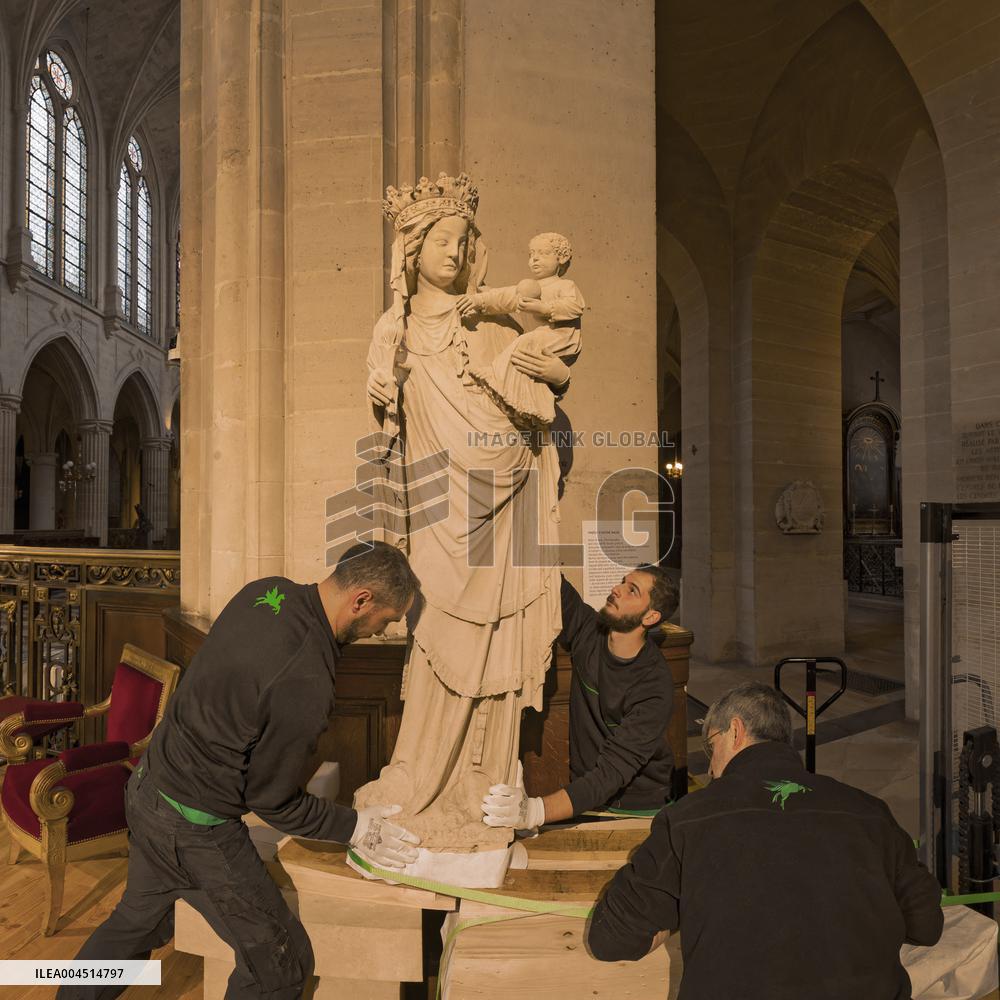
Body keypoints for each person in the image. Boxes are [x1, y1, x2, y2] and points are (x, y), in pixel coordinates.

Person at [58, 542, 422, 1000]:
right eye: (386, 621)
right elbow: (273, 802)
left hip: (149, 789)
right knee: (281, 965)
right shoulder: (306, 678)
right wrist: (356, 827)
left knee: (133, 923)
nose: (380, 631)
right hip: (196, 829)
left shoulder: (267, 592)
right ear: (361, 600)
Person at [357, 174, 571, 861]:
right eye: (441, 240)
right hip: (436, 508)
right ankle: (418, 773)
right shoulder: (392, 328)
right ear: (413, 249)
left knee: (494, 639)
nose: (453, 252)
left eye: (462, 241)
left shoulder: (486, 320)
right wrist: (382, 393)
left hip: (499, 499)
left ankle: (480, 782)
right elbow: (386, 426)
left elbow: (536, 388)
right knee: (433, 633)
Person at [586, 681, 944, 1000]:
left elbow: (611, 939)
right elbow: (927, 925)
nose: (709, 769)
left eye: (711, 748)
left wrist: (681, 907)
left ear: (735, 732)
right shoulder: (870, 812)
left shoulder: (687, 819)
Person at [482, 564, 678, 831]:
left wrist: (534, 811)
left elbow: (611, 773)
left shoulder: (654, 684)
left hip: (637, 809)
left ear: (651, 616)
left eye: (632, 590)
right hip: (588, 799)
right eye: (622, 582)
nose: (616, 589)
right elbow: (550, 577)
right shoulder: (590, 631)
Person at [457, 231, 585, 430]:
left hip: (561, 337)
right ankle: (517, 398)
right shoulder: (530, 288)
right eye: (531, 254)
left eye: (543, 253)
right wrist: (478, 300)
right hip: (539, 339)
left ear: (561, 258)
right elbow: (504, 297)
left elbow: (574, 307)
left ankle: (496, 376)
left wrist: (544, 308)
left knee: (524, 343)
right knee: (524, 354)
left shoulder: (565, 285)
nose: (535, 259)